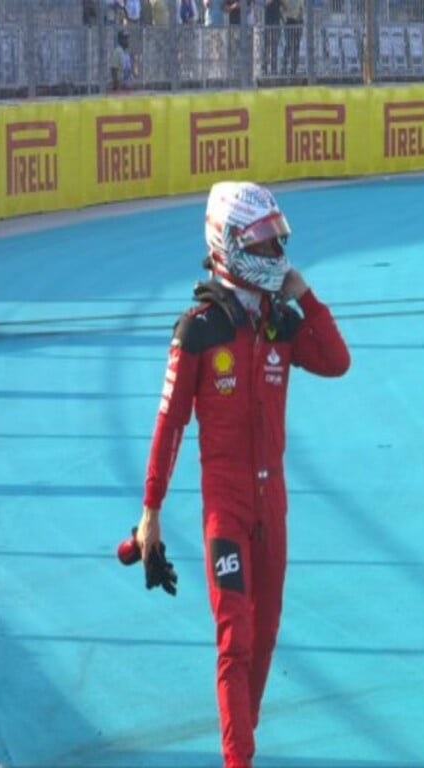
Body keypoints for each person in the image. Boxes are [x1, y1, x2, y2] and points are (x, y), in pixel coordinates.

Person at [133, 181, 351, 768]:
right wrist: (150, 512)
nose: (278, 255)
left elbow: (336, 360)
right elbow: (170, 424)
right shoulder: (198, 329)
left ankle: (240, 744)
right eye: (266, 243)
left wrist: (304, 293)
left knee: (265, 640)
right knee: (237, 640)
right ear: (228, 243)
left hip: (272, 508)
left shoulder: (280, 322)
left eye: (280, 243)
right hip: (224, 510)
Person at [282, 0, 304, 75]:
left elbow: (301, 10)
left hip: (299, 23)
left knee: (296, 47)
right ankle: (284, 67)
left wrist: (298, 16)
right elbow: (283, 10)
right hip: (289, 22)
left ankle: (294, 68)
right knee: (288, 45)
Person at [263, 0, 283, 75]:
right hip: (268, 23)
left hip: (276, 23)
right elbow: (265, 4)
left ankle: (274, 69)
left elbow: (284, 6)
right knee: (267, 47)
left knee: (275, 47)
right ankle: (264, 67)